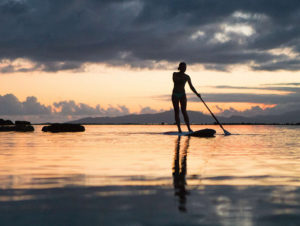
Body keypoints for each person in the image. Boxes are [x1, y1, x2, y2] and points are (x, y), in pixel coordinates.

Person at [172, 62, 201, 133]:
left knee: (184, 111)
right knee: (177, 112)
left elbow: (191, 87)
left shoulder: (187, 77)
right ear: (180, 67)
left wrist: (197, 93)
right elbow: (175, 80)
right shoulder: (175, 74)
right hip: (175, 94)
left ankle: (189, 128)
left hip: (182, 94)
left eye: (185, 67)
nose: (184, 68)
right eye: (183, 67)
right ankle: (179, 129)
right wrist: (181, 79)